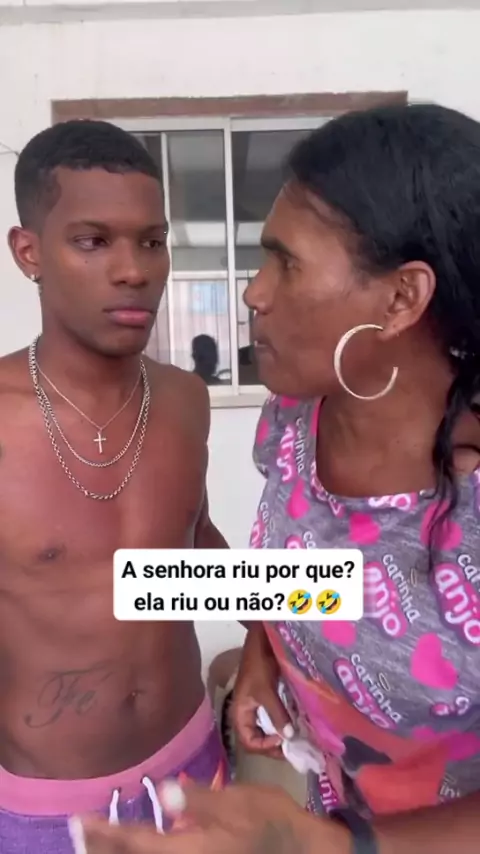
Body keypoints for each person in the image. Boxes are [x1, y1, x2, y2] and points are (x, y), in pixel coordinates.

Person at [75, 102, 480, 853]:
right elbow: (321, 574)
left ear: (400, 299)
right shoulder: (295, 419)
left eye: (285, 263)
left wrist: (322, 845)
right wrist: (266, 652)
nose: (254, 292)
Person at [0, 119, 228, 853]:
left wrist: (281, 635)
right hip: (45, 811)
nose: (133, 270)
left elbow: (191, 550)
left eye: (152, 241)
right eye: (93, 241)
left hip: (195, 770)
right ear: (29, 252)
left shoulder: (185, 398)